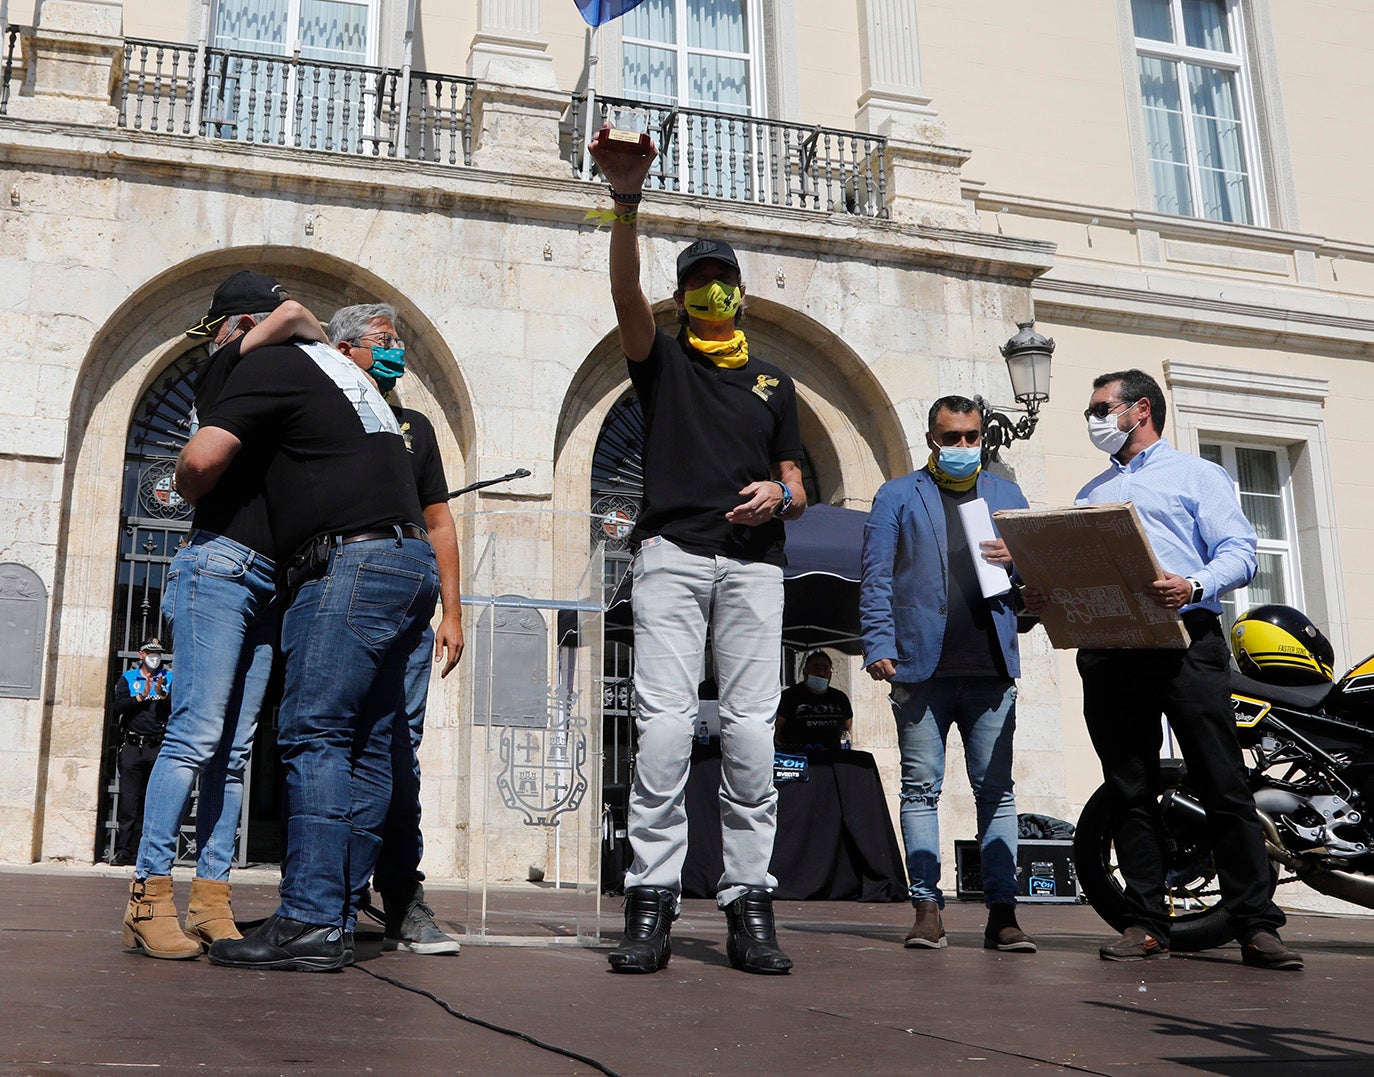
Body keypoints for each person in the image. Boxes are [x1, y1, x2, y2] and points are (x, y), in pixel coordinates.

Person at [589, 125, 807, 975]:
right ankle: (651, 900)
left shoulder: (775, 383)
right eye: (697, 283)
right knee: (664, 733)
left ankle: (750, 902)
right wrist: (625, 202)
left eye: (722, 280)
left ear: (742, 294)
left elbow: (796, 476)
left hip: (754, 565)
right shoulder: (664, 362)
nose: (711, 292)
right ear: (681, 298)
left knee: (753, 736)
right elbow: (623, 300)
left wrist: (780, 494)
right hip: (673, 557)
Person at [177, 303, 438, 972]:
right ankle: (338, 910)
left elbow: (201, 459)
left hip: (351, 563)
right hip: (409, 565)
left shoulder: (271, 364)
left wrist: (189, 474)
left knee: (313, 730)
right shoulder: (343, 380)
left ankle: (313, 919)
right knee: (373, 745)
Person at [1025, 368, 1301, 970]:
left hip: (1185, 642)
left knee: (1220, 779)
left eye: (1101, 407)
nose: (1092, 418)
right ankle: (1144, 921)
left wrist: (1194, 583)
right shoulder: (1093, 493)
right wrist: (1044, 592)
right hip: (1111, 649)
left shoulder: (1199, 475)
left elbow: (1240, 552)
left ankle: (1256, 923)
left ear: (1139, 409)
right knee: (1129, 786)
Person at [122, 271, 296, 961]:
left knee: (234, 751)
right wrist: (283, 322)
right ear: (243, 325)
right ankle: (148, 896)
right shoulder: (226, 364)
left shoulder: (266, 388)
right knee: (194, 735)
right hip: (217, 567)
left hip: (263, 578)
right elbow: (291, 318)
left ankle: (213, 897)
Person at [860, 395, 1036, 954]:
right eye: (951, 437)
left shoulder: (1006, 494)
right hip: (920, 664)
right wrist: (877, 643)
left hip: (990, 664)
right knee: (920, 790)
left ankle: (1002, 913)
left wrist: (1020, 559)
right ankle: (926, 907)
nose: (963, 447)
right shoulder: (897, 494)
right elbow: (876, 577)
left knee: (997, 793)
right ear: (931, 438)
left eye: (971, 437)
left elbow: (1041, 576)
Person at [328, 305, 464, 956]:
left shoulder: (416, 427)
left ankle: (402, 894)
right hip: (341, 592)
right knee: (340, 741)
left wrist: (453, 612)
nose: (396, 351)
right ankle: (337, 893)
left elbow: (439, 520)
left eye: (399, 341)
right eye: (384, 341)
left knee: (399, 749)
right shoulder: (327, 414)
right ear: (346, 349)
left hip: (410, 603)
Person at [109, 639, 173, 867]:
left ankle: (152, 854)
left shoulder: (168, 678)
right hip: (132, 748)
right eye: (150, 652)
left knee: (156, 803)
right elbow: (118, 707)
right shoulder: (128, 678)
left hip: (157, 747)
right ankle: (124, 851)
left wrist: (162, 695)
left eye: (158, 653)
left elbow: (175, 709)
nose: (155, 657)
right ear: (141, 654)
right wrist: (141, 696)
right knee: (129, 802)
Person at [775, 650, 852, 752]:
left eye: (825, 669)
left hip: (833, 759)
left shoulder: (840, 698)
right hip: (800, 759)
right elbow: (778, 732)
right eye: (816, 668)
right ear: (805, 671)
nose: (821, 673)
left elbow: (847, 730)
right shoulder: (789, 696)